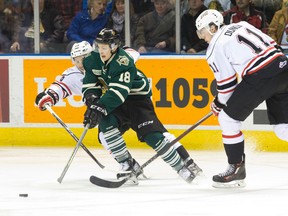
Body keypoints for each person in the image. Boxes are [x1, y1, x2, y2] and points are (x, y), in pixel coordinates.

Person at [35, 38, 202, 183]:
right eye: (76, 60)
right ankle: (129, 165)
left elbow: (130, 53)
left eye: (84, 58)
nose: (81, 64)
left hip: (133, 101)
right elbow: (59, 87)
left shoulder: (107, 59)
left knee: (156, 133)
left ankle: (186, 161)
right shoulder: (73, 75)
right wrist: (47, 96)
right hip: (111, 110)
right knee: (104, 134)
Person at [81, 28, 202, 184]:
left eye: (104, 47)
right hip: (116, 101)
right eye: (98, 46)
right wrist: (92, 101)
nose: (100, 50)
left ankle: (181, 167)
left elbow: (119, 92)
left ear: (114, 46)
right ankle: (127, 164)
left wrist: (99, 107)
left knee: (154, 137)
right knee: (106, 124)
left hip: (137, 101)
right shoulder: (92, 59)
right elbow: (90, 83)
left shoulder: (123, 61)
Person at [195, 9, 288, 188]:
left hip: (261, 75)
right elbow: (273, 45)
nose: (202, 37)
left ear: (213, 28)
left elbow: (227, 84)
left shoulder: (215, 46)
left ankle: (236, 168)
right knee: (283, 129)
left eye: (202, 32)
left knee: (227, 119)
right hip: (283, 67)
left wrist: (218, 104)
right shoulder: (241, 25)